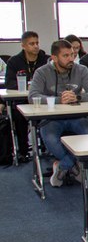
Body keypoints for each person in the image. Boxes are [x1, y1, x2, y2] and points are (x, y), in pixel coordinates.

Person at [28, 40, 88, 187]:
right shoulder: (42, 72)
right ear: (54, 58)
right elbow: (33, 96)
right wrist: (59, 100)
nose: (71, 59)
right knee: (51, 139)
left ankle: (62, 167)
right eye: (65, 56)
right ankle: (75, 167)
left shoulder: (81, 70)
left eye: (72, 55)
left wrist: (77, 97)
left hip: (77, 117)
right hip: (52, 119)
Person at [4, 31, 49, 162]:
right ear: (23, 46)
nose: (35, 46)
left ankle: (47, 148)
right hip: (21, 100)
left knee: (49, 115)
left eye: (37, 43)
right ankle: (23, 151)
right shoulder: (14, 61)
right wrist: (27, 85)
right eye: (31, 44)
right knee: (19, 116)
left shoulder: (46, 59)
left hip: (42, 99)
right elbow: (9, 83)